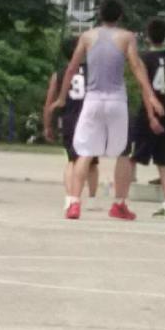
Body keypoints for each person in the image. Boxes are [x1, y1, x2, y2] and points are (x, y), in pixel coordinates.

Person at [56, 0, 164, 221]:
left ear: (99, 14)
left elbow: (71, 68)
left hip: (93, 100)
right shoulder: (126, 37)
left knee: (84, 152)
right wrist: (151, 96)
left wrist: (62, 97)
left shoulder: (87, 36)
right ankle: (120, 204)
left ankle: (74, 202)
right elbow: (136, 67)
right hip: (116, 100)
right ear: (120, 15)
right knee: (123, 153)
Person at [124, 17, 165, 219]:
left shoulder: (145, 58)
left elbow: (146, 89)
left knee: (132, 157)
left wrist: (151, 117)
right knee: (163, 162)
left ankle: (121, 200)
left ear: (148, 36)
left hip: (151, 114)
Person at [43, 37, 100, 210]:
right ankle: (92, 199)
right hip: (90, 119)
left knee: (72, 160)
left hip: (69, 119)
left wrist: (47, 125)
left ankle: (70, 197)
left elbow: (49, 102)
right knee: (91, 162)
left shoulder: (59, 74)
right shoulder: (93, 71)